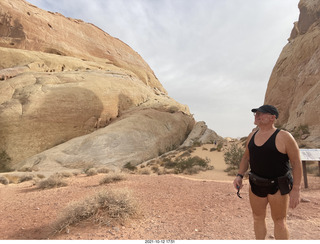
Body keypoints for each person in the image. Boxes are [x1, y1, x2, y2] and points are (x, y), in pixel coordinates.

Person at [233, 105, 302, 240]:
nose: (257, 116)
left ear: (272, 118)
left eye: (261, 113)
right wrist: (239, 175)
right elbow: (246, 157)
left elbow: (296, 162)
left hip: (278, 185)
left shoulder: (284, 136)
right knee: (258, 218)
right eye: (256, 114)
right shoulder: (252, 135)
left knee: (279, 221)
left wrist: (296, 189)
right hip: (256, 183)